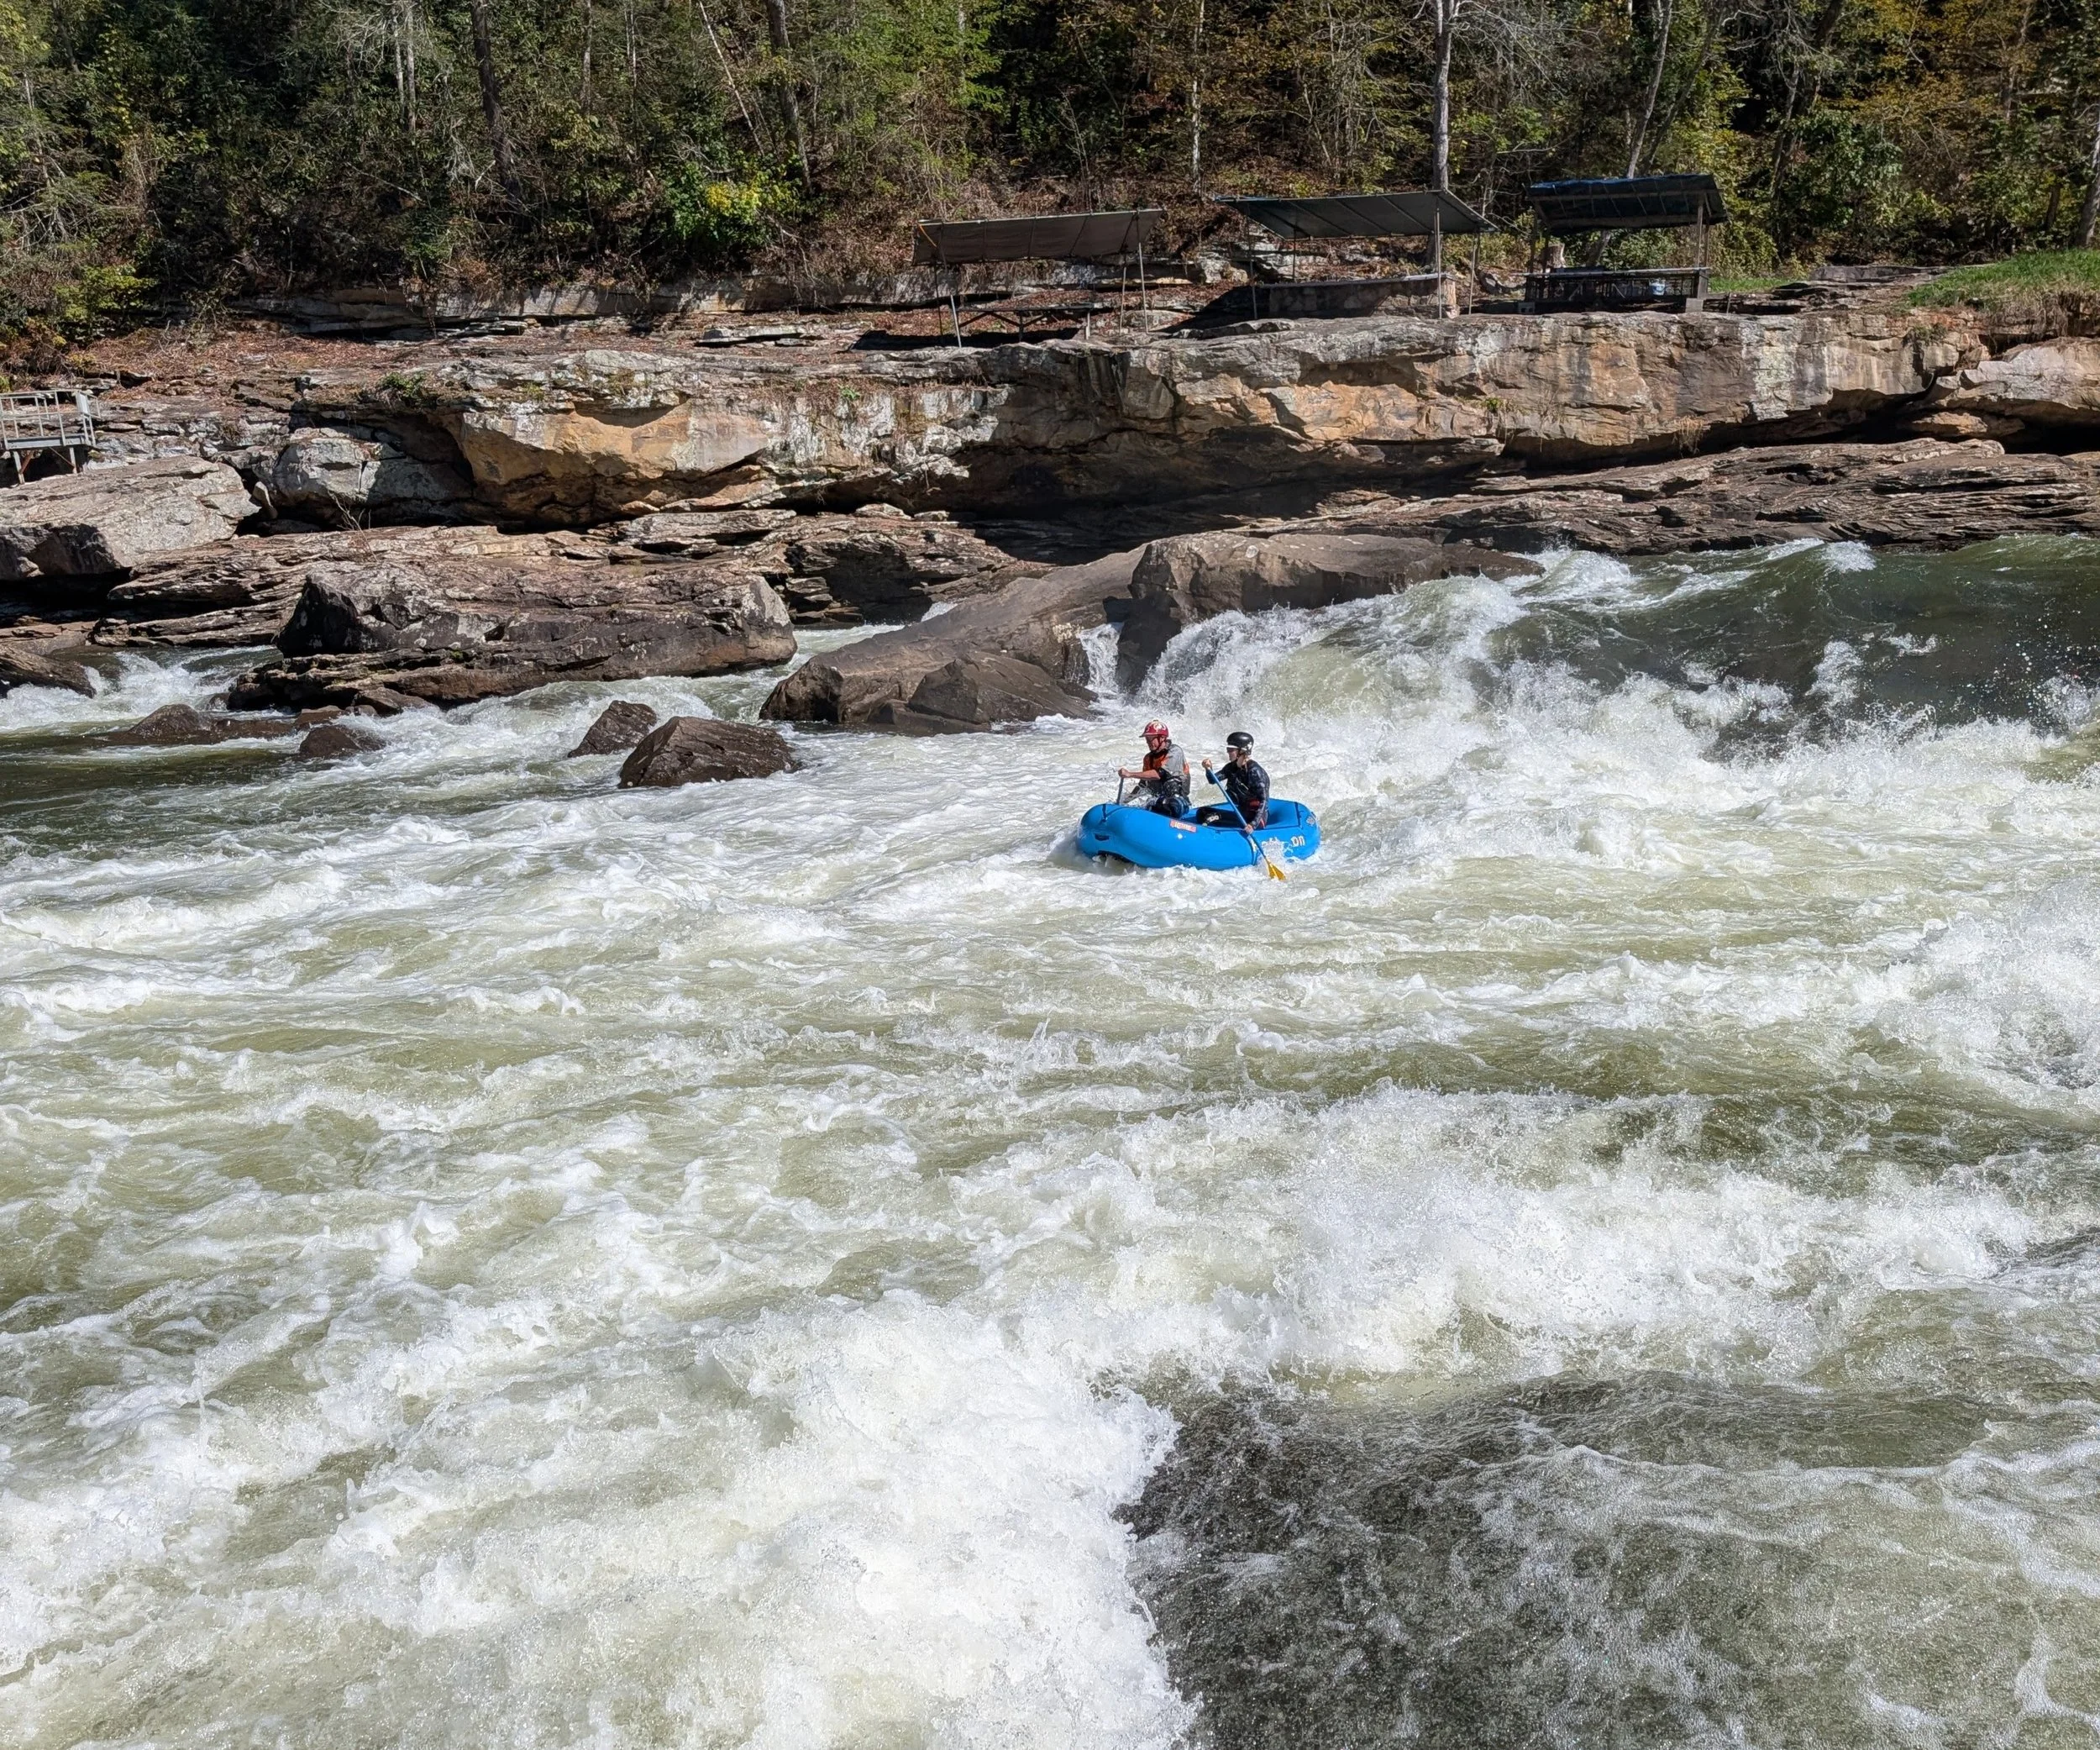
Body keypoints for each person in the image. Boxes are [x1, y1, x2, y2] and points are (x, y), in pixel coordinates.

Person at [1120, 720, 1192, 816]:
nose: (1148, 743)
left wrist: (1130, 774)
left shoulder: (1175, 751)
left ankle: (1176, 811)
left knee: (1170, 785)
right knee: (1150, 800)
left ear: (1162, 738)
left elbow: (1159, 774)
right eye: (1147, 740)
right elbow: (1143, 784)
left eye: (1151, 739)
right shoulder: (1148, 758)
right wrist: (1125, 801)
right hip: (1161, 800)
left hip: (1179, 800)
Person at [1200, 731, 1270, 828]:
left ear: (1242, 751)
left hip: (1255, 820)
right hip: (1242, 814)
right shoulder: (1231, 767)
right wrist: (1208, 769)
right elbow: (1213, 780)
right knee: (1202, 812)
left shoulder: (1255, 772)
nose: (1228, 752)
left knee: (1211, 818)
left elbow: (1264, 800)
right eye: (1228, 749)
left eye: (1231, 749)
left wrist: (1252, 825)